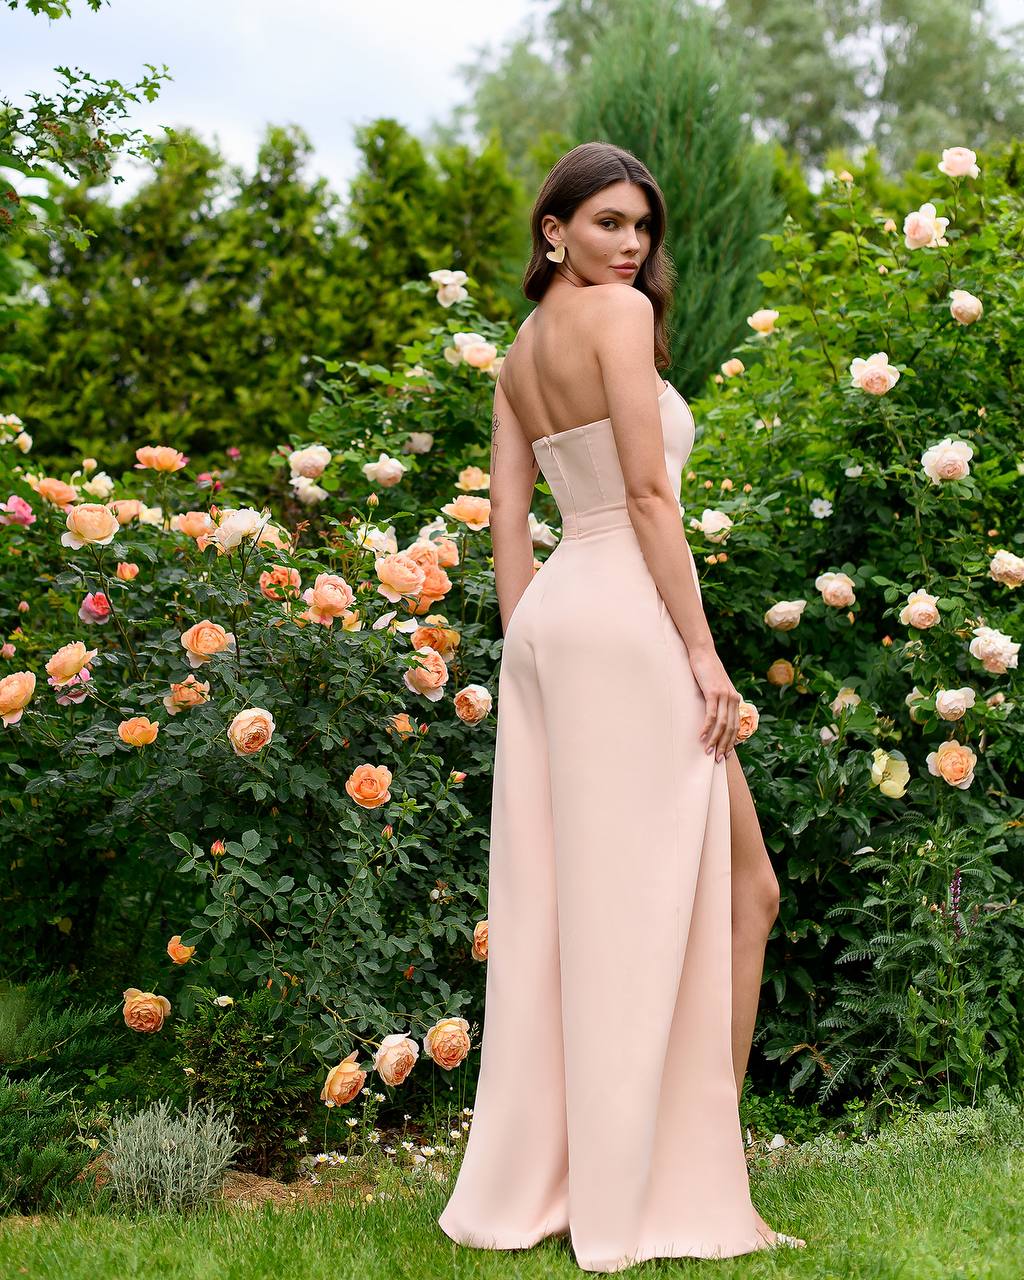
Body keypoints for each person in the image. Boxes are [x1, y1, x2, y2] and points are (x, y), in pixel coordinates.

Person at [437, 141, 805, 1272]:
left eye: (641, 225)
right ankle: (672, 1179)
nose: (631, 244)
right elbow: (647, 494)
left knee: (675, 897)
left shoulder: (515, 356)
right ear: (553, 232)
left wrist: (529, 644)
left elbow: (505, 521)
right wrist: (701, 651)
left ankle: (671, 1157)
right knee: (678, 903)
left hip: (559, 616)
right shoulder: (613, 320)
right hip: (629, 612)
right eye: (606, 222)